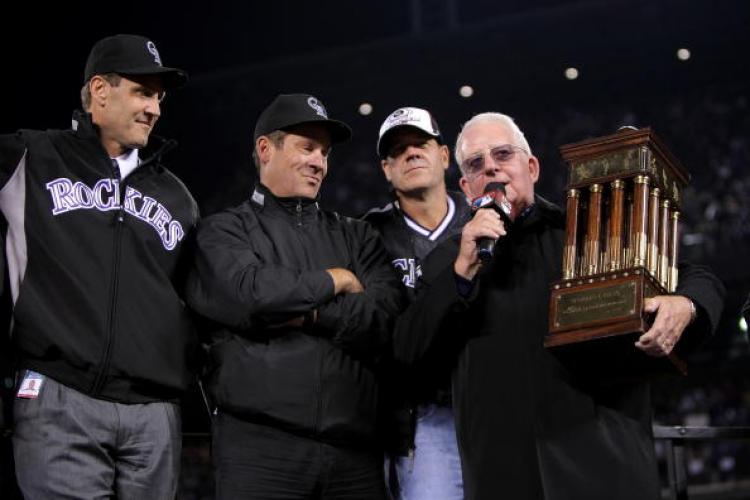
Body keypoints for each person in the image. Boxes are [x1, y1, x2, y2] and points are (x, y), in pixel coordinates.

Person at [393, 112, 725, 499]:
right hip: (503, 474)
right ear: (467, 187)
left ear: (531, 167)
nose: (492, 168)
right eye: (476, 164)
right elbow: (408, 348)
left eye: (503, 154)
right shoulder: (447, 262)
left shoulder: (588, 231)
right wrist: (461, 274)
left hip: (598, 467)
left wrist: (686, 304)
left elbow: (699, 278)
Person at [0, 34, 198, 499]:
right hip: (59, 394)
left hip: (153, 414)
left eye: (159, 98)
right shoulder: (29, 158)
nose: (155, 109)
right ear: (100, 91)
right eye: (143, 92)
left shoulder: (178, 198)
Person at [185, 93, 404, 499]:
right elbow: (251, 294)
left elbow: (387, 320)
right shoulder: (223, 231)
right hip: (259, 449)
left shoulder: (358, 235)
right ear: (266, 149)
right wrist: (336, 279)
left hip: (354, 453)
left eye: (324, 152)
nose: (319, 162)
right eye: (307, 147)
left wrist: (311, 316)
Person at [363, 107, 469, 499]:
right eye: (399, 150)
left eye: (420, 144)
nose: (411, 154)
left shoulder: (485, 219)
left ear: (444, 156)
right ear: (387, 170)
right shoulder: (368, 236)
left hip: (492, 403)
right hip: (422, 416)